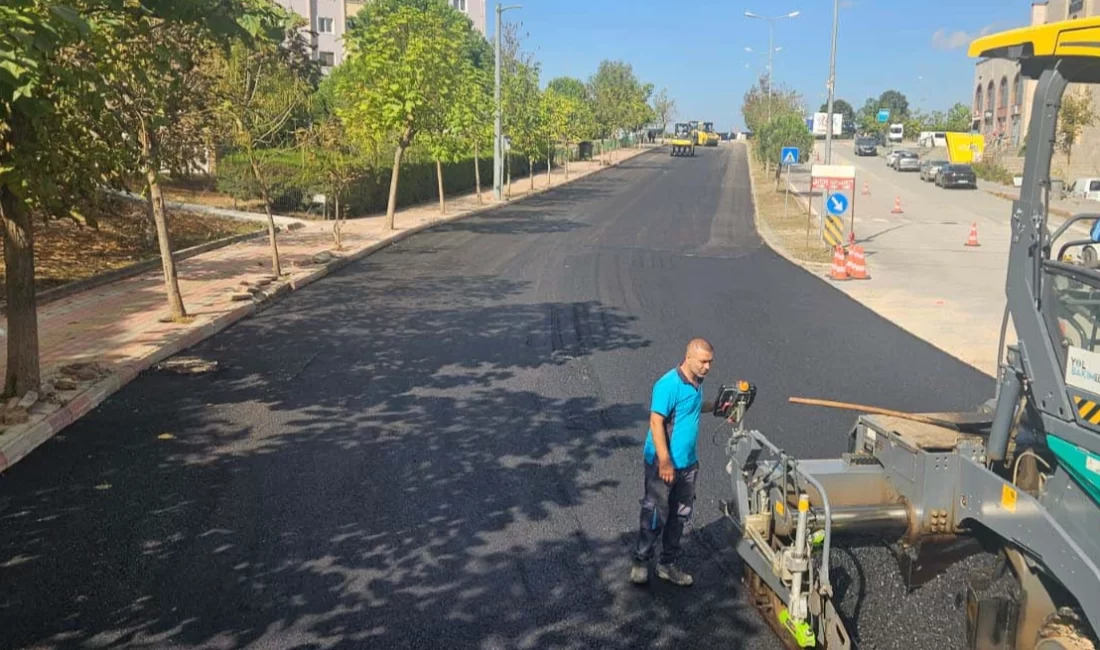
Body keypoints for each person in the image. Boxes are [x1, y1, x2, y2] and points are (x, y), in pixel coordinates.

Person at [630, 338, 715, 586]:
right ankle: (641, 560)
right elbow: (656, 422)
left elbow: (694, 407)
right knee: (655, 512)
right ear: (688, 358)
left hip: (688, 463)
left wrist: (718, 406)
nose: (707, 367)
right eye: (703, 362)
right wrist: (665, 461)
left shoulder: (697, 382)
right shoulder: (668, 384)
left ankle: (667, 564)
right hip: (664, 462)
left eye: (710, 362)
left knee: (680, 514)